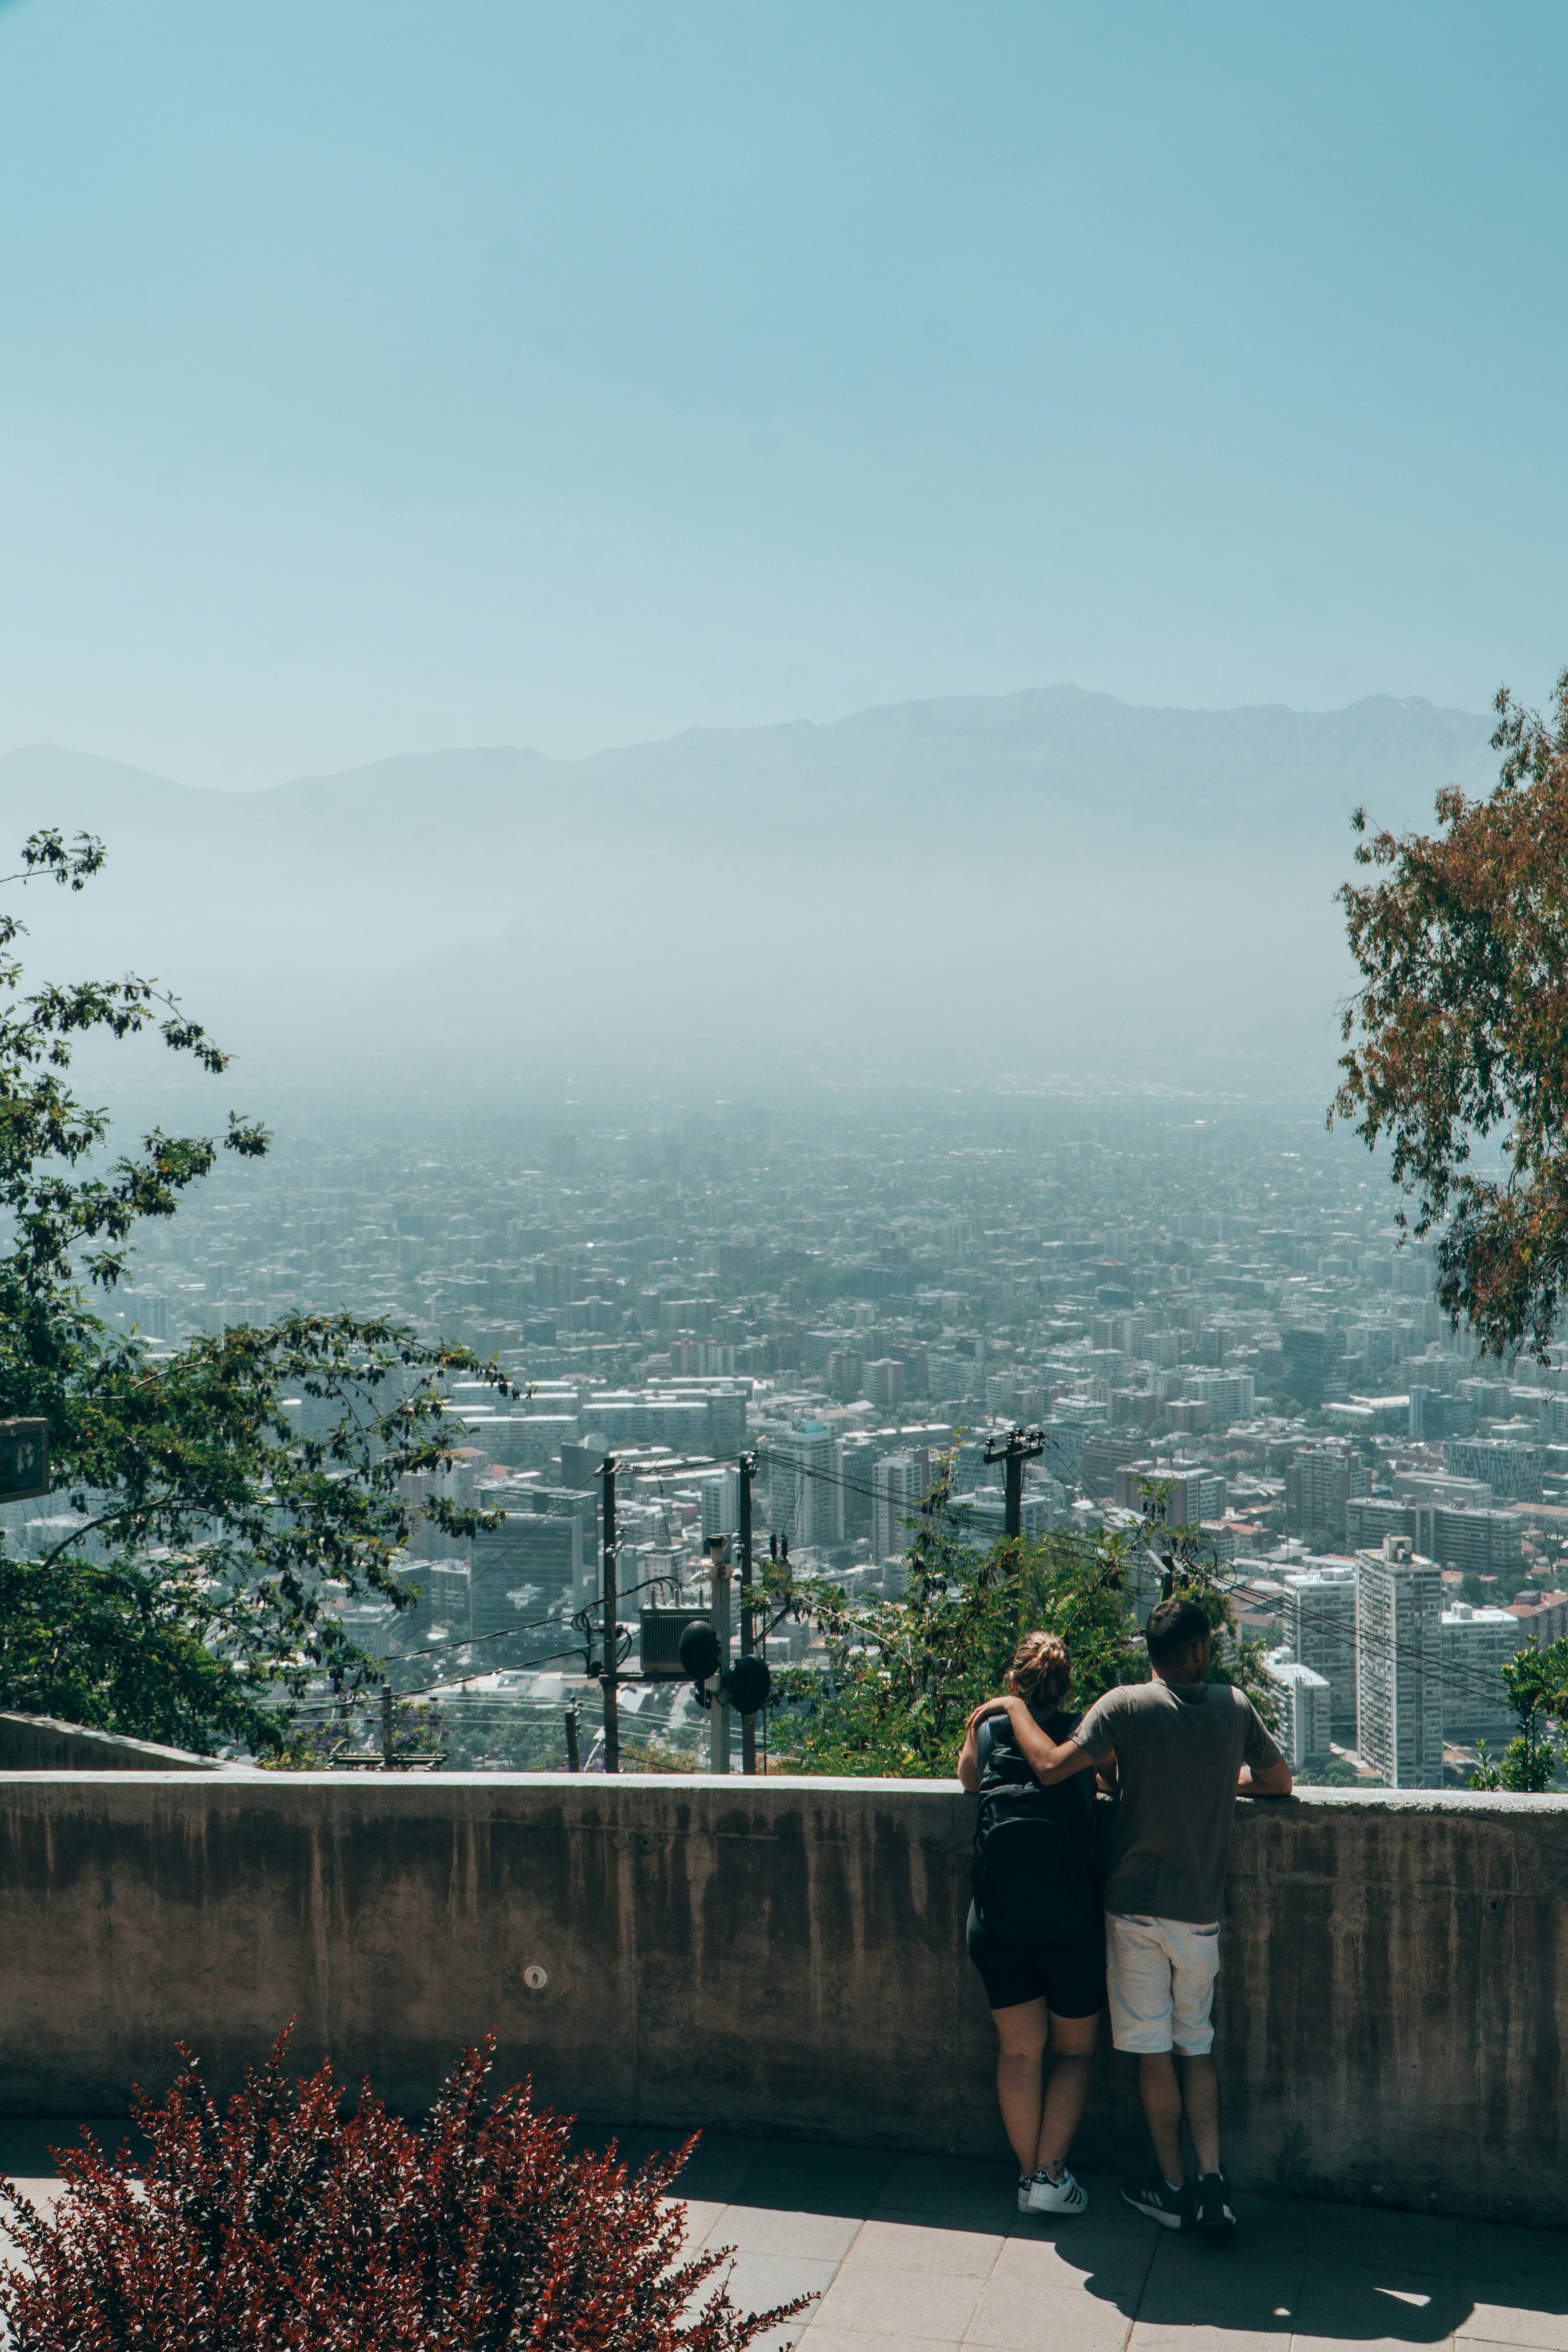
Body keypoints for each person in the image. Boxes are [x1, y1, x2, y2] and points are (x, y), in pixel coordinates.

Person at [981, 1595, 1292, 2236]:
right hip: (1199, 1913)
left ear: (1149, 1653)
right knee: (1196, 2046)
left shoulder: (1124, 1704)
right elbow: (1277, 1783)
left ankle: (1169, 2187)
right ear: (1201, 1649)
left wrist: (1011, 1706)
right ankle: (1212, 2183)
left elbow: (1049, 1767)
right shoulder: (1234, 1707)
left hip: (1131, 1912)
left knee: (1153, 2055)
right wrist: (1213, 1782)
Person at [956, 1630, 1106, 2219]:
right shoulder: (1083, 1734)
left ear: (1012, 1682)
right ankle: (1050, 2177)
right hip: (1069, 1921)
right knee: (1073, 2051)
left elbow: (970, 1781)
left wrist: (991, 1718)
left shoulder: (990, 1726)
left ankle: (1025, 2178)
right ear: (1067, 1686)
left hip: (997, 1921)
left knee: (1019, 2052)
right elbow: (1108, 1784)